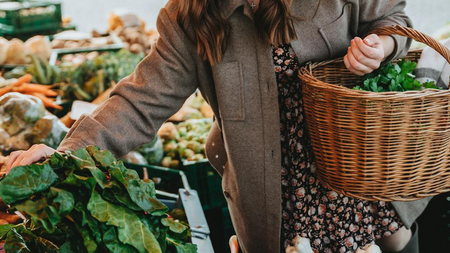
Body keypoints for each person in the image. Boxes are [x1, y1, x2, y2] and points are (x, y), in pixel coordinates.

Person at [6, 0, 428, 252]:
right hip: (274, 200)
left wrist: (383, 45)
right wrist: (64, 157)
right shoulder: (188, 18)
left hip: (357, 175)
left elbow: (390, 17)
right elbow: (138, 102)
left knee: (388, 245)